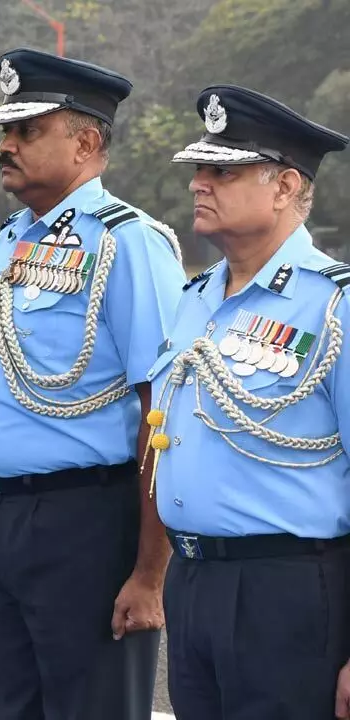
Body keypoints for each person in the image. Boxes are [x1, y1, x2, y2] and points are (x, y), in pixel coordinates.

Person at [0, 48, 187, 720]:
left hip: (84, 520)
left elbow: (161, 415)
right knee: (13, 706)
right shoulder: (9, 241)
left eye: (27, 132)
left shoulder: (128, 244)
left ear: (86, 142)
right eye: (5, 132)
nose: (6, 145)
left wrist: (149, 573)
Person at [147, 84, 350, 720]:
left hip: (285, 589)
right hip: (194, 580)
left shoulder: (333, 304)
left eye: (224, 171)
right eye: (200, 170)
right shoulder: (198, 297)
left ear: (286, 186)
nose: (199, 184)